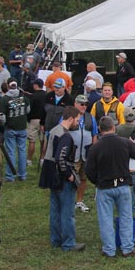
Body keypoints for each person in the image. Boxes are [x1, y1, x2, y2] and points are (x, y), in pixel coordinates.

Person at [85, 116, 135, 258]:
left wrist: (97, 182)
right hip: (123, 185)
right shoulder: (124, 142)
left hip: (104, 187)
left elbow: (89, 170)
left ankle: (109, 249)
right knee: (126, 217)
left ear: (100, 129)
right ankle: (127, 248)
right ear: (114, 127)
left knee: (105, 219)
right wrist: (133, 143)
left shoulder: (96, 147)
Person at [39, 106, 86, 252]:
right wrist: (69, 175)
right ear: (70, 119)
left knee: (55, 210)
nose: (78, 123)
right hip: (62, 178)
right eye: (77, 120)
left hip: (51, 175)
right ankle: (68, 243)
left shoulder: (54, 130)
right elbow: (61, 158)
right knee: (67, 212)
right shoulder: (65, 136)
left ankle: (56, 239)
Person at [0, 80, 30, 182]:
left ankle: (10, 176)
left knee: (11, 152)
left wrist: (3, 125)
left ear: (8, 86)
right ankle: (22, 175)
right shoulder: (24, 98)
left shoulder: (4, 99)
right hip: (22, 128)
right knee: (22, 151)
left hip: (10, 128)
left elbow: (2, 117)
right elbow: (28, 110)